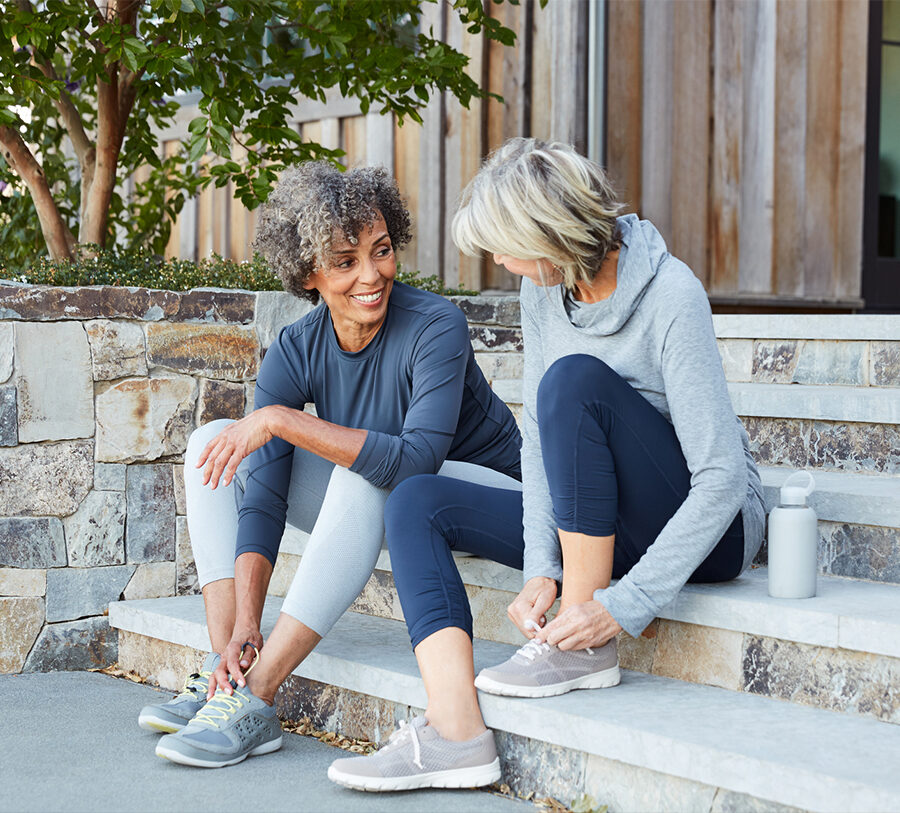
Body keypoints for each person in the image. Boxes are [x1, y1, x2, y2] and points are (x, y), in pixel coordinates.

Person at [327, 137, 765, 790]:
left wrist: (620, 606)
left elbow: (723, 479)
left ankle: (581, 644)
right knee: (415, 499)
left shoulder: (671, 294)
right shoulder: (543, 294)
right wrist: (542, 565)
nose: (500, 261)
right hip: (600, 523)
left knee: (572, 384)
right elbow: (537, 442)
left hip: (710, 534)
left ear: (549, 234)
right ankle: (455, 732)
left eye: (505, 246)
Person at [137, 161, 522, 776]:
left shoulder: (435, 325)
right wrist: (244, 622)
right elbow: (261, 496)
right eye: (345, 261)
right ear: (308, 273)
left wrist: (284, 420)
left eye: (382, 251)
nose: (372, 276)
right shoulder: (297, 347)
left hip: (488, 502)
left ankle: (258, 695)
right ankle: (226, 674)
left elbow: (416, 460)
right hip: (403, 508)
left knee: (362, 468)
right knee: (214, 442)